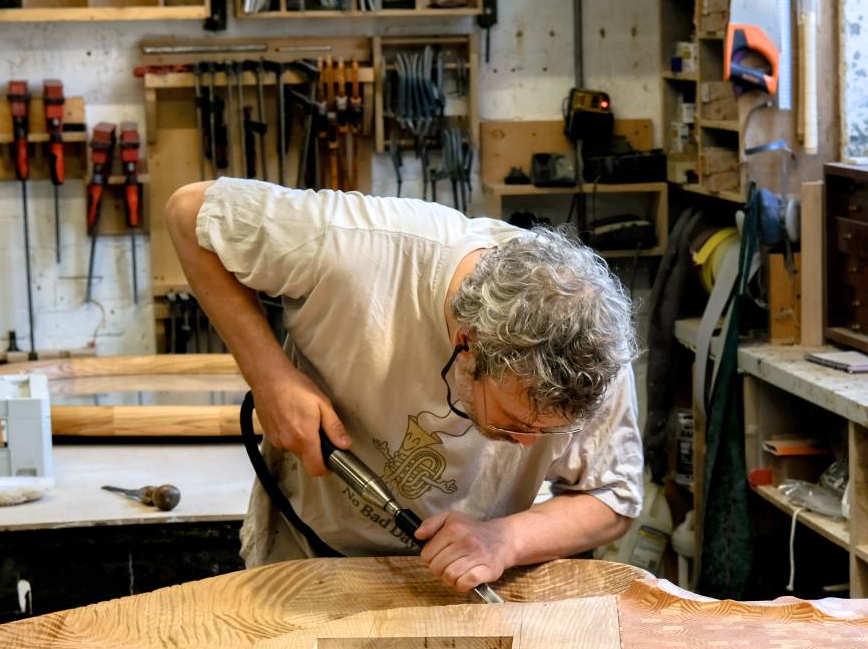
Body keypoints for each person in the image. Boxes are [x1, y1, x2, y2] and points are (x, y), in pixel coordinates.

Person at [165, 179, 642, 593]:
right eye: (516, 422)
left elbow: (613, 497)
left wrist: (504, 540)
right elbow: (190, 213)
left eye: (548, 433)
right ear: (466, 345)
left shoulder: (595, 350)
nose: (526, 444)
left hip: (471, 581)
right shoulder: (358, 247)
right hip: (312, 555)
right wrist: (269, 376)